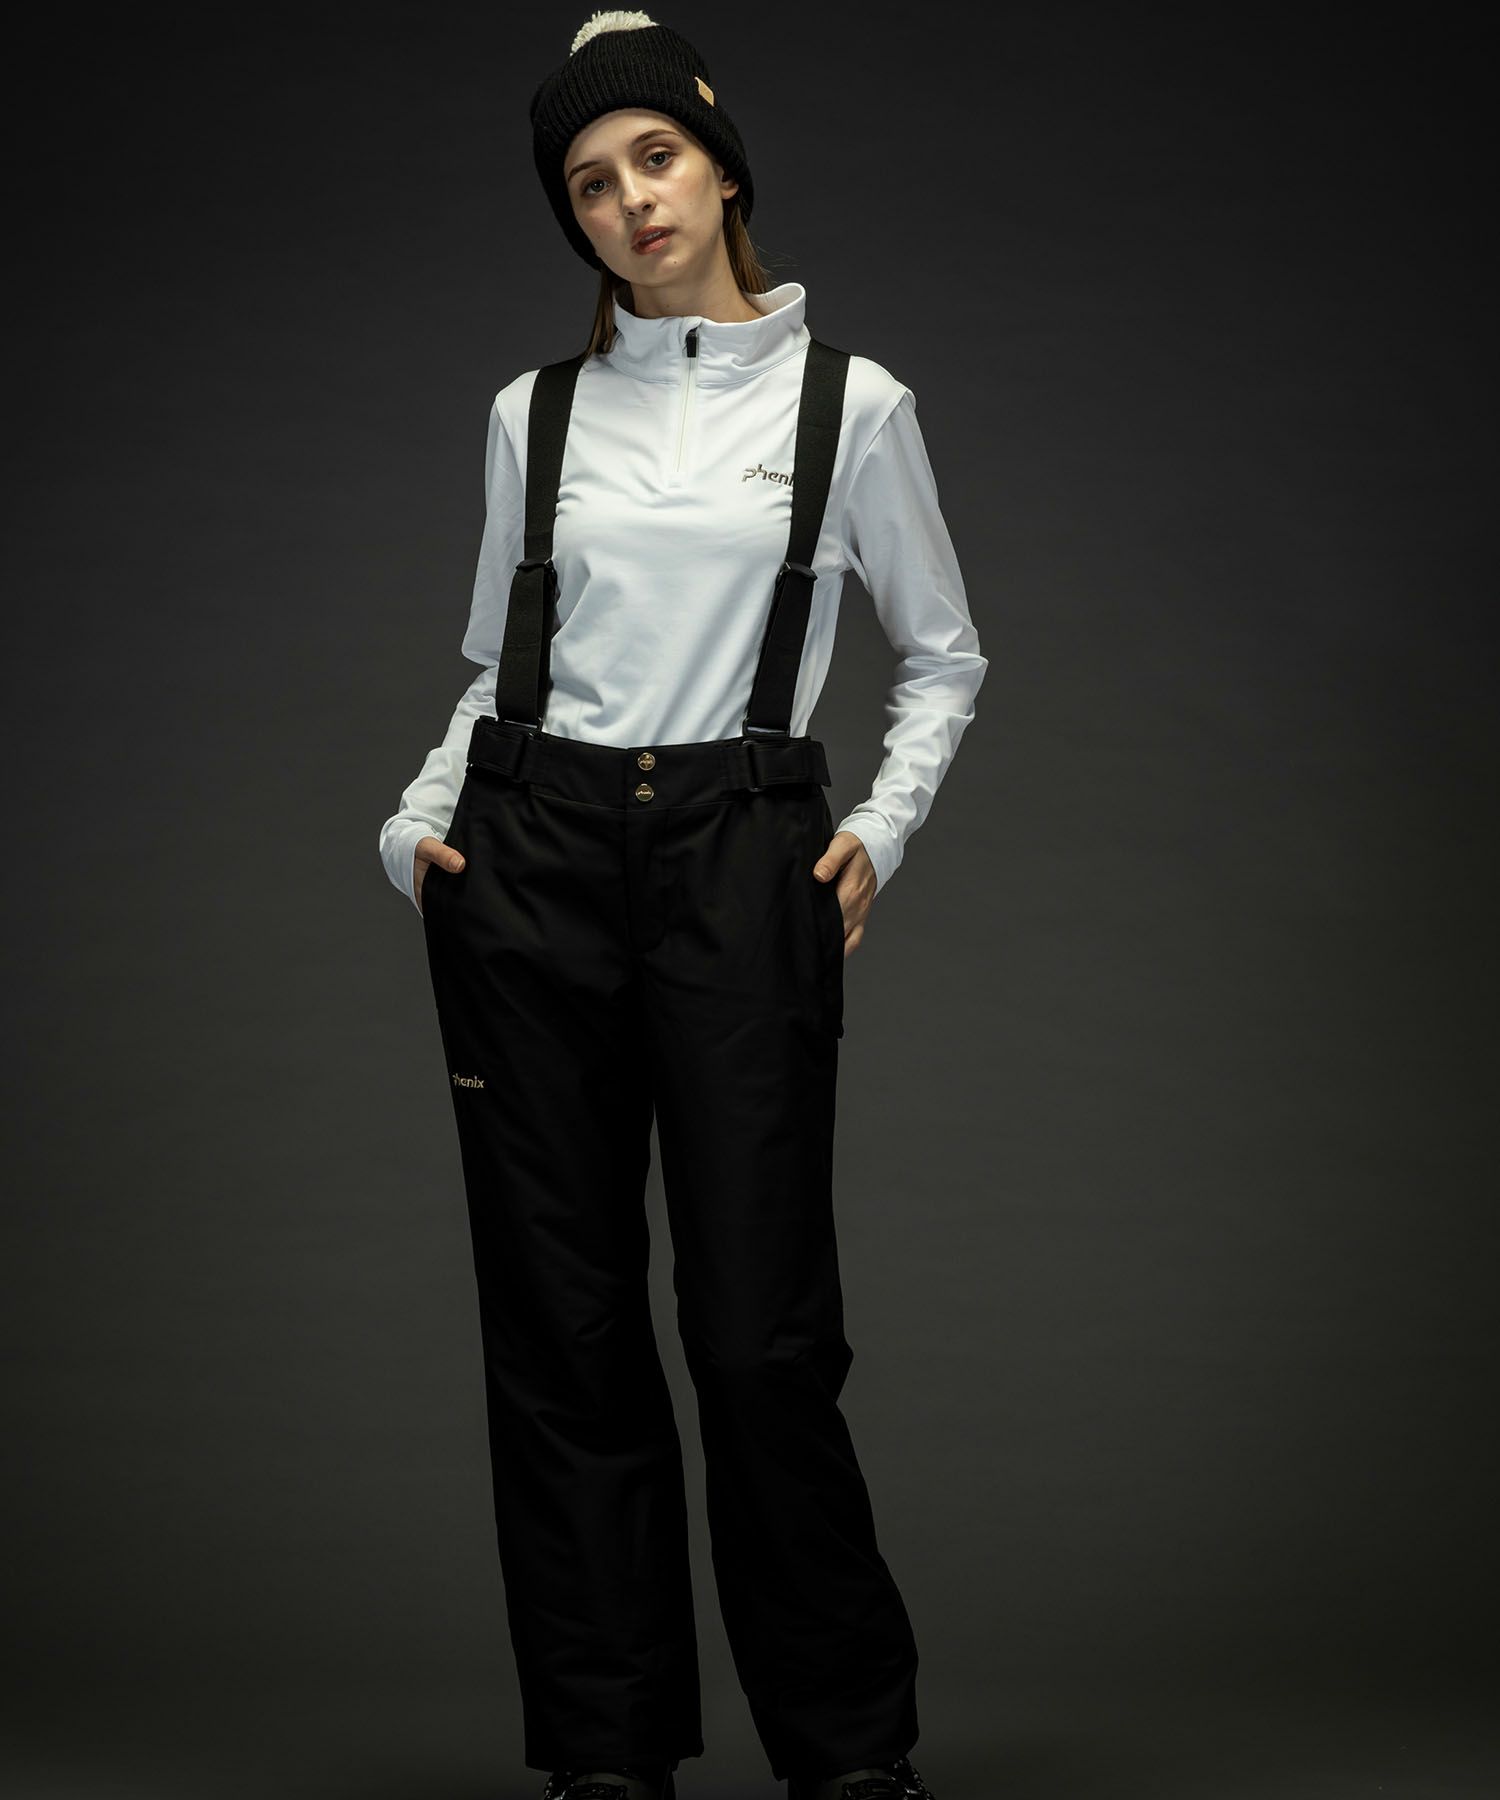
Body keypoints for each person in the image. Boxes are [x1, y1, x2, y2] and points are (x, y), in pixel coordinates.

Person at [377, 12, 987, 1800]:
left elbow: (944, 656)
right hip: (531, 862)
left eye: (654, 158)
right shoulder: (537, 412)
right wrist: (416, 828)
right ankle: (607, 1755)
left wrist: (877, 827)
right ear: (570, 217)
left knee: (758, 1335)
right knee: (560, 1334)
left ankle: (849, 1756)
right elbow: (500, 664)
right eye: (589, 183)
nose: (630, 201)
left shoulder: (851, 405)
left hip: (740, 854)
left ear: (721, 165)